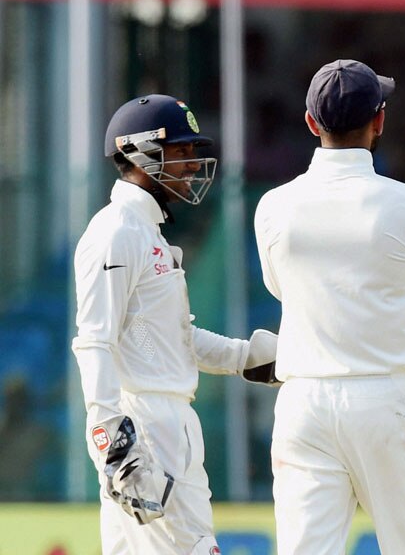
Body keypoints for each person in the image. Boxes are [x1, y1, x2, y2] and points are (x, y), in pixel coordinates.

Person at [254, 59, 405, 555]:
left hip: (305, 402)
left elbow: (281, 288)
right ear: (379, 121)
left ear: (312, 124)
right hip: (386, 400)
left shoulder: (272, 205)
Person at [72, 94, 280, 554]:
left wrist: (247, 358)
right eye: (181, 152)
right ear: (139, 153)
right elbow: (94, 343)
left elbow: (171, 339)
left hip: (170, 424)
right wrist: (115, 447)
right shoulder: (117, 231)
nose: (191, 165)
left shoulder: (147, 233)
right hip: (146, 428)